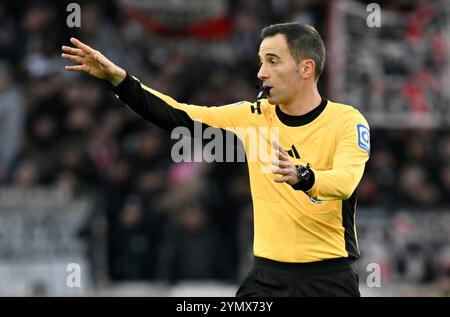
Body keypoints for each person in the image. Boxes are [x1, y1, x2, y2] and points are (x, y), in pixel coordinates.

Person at [62, 22, 370, 297]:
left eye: (273, 62)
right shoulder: (253, 116)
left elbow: (345, 182)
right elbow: (177, 114)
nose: (262, 73)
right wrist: (121, 81)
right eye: (261, 62)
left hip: (328, 280)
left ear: (306, 68)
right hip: (268, 279)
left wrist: (304, 176)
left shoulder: (345, 121)